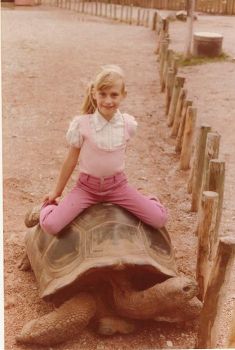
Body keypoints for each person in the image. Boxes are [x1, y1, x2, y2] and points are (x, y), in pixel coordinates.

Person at [25, 65, 167, 235]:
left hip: (118, 188)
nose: (108, 101)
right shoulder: (82, 124)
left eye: (114, 95)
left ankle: (148, 200)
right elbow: (71, 160)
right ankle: (46, 209)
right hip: (87, 189)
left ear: (123, 95)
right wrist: (57, 192)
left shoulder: (128, 125)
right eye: (103, 94)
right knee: (51, 226)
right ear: (94, 94)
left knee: (159, 219)